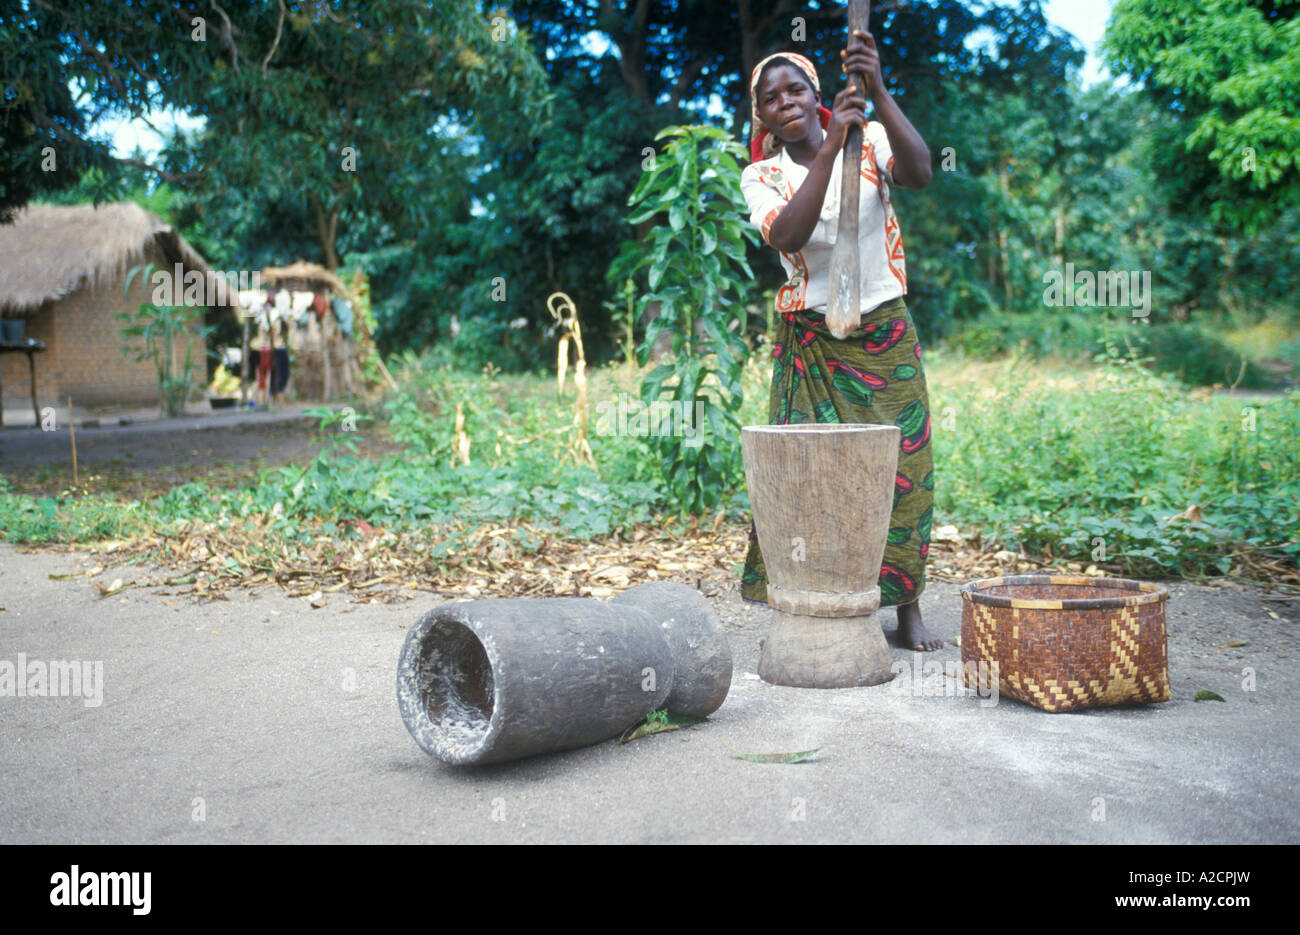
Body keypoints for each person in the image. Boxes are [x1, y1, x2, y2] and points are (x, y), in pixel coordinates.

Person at [738, 34, 941, 651]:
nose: (785, 103)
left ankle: (905, 607)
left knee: (904, 468)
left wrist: (877, 92)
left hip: (884, 331)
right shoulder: (761, 175)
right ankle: (810, 599)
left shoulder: (873, 139)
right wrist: (828, 152)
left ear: (816, 93)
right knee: (806, 477)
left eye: (794, 89)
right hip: (813, 343)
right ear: (762, 116)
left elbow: (923, 172)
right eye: (771, 100)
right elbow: (788, 234)